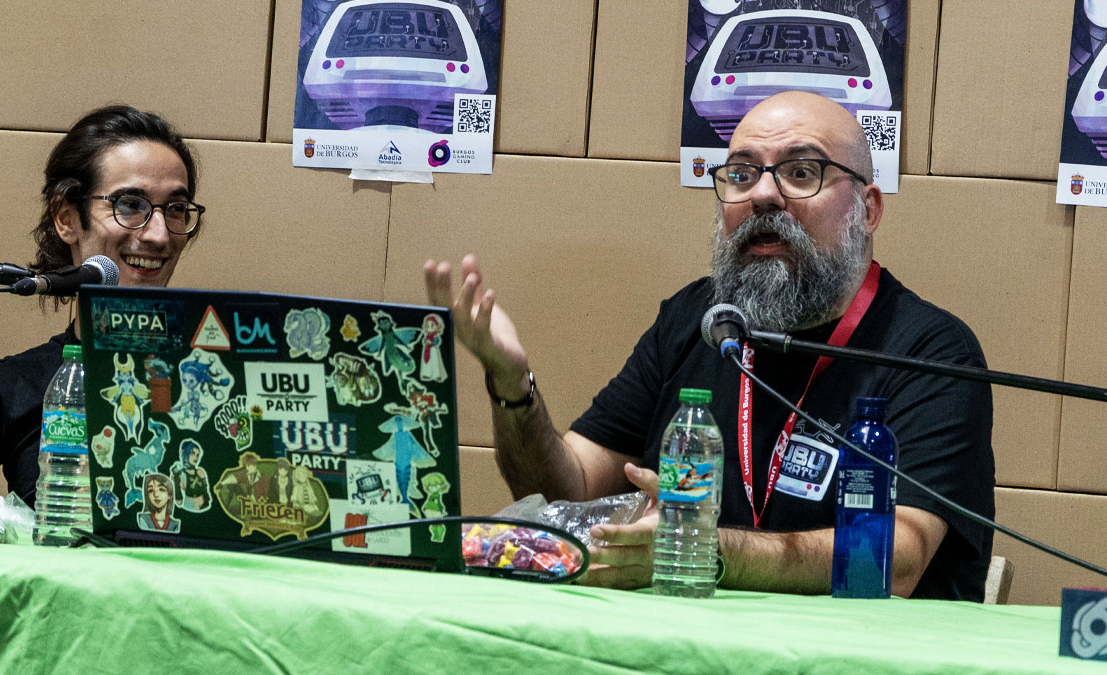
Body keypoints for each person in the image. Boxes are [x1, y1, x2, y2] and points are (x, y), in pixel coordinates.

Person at [424, 91, 995, 601]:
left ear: (867, 209)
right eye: (741, 174)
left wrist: (701, 547)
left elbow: (894, 562)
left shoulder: (931, 351)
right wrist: (511, 384)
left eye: (801, 172)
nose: (763, 194)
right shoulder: (700, 319)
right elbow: (562, 491)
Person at [0, 105, 204, 508]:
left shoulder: (216, 372)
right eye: (130, 204)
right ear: (67, 218)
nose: (158, 234)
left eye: (175, 209)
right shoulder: (11, 383)